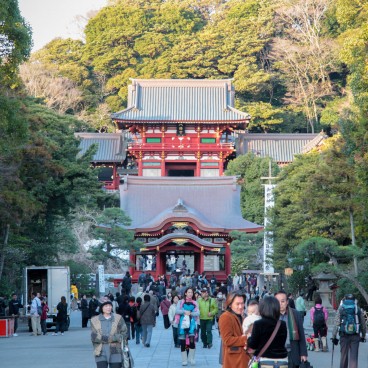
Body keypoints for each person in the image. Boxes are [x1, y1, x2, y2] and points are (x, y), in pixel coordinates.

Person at [247, 296, 288, 367]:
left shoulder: (258, 324)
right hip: (282, 361)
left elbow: (253, 345)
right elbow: (282, 342)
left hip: (265, 361)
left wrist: (249, 337)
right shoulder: (282, 324)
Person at [91, 296, 128, 368]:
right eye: (106, 306)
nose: (109, 307)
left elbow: (124, 334)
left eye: (110, 305)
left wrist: (108, 338)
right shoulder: (95, 320)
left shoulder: (118, 318)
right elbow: (94, 336)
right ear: (101, 307)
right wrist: (113, 338)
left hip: (116, 351)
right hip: (100, 351)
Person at [331, 294, 366, 368]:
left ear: (345, 299)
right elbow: (363, 324)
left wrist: (334, 336)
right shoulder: (357, 309)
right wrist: (363, 336)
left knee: (343, 356)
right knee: (354, 357)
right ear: (354, 300)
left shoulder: (341, 308)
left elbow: (336, 323)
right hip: (355, 335)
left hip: (344, 335)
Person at [275, 290, 308, 368]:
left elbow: (301, 334)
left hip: (292, 351)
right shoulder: (271, 314)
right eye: (277, 301)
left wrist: (303, 353)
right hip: (276, 353)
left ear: (287, 302)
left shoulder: (295, 314)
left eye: (282, 301)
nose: (280, 304)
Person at [218, 291, 249, 368]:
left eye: (242, 303)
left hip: (242, 359)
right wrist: (246, 339)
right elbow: (227, 340)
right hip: (233, 361)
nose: (241, 306)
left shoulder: (241, 316)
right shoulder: (226, 317)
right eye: (237, 304)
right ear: (230, 304)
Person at [176, 287, 200, 366]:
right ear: (185, 293)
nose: (190, 294)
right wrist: (184, 312)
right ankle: (184, 359)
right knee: (183, 342)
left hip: (192, 324)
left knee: (192, 341)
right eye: (189, 292)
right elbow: (177, 311)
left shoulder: (195, 303)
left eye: (191, 292)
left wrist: (190, 313)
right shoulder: (180, 302)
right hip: (182, 324)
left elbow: (198, 313)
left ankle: (191, 358)